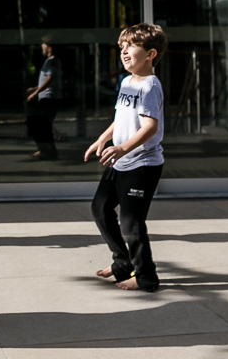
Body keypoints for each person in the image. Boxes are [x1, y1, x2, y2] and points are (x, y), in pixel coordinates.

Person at [84, 23, 167, 293]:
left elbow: (150, 127)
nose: (124, 51)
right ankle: (122, 263)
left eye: (131, 46)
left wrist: (122, 149)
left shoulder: (149, 86)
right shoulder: (127, 82)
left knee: (131, 222)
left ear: (150, 53)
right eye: (122, 47)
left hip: (142, 164)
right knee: (100, 208)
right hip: (121, 160)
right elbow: (121, 117)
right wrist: (103, 138)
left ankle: (146, 277)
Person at [26, 41, 62, 160]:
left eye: (43, 47)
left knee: (34, 121)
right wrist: (36, 88)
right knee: (43, 125)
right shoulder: (53, 61)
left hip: (48, 98)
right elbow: (50, 81)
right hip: (50, 98)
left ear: (49, 49)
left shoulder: (51, 61)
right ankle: (47, 151)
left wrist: (36, 93)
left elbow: (50, 79)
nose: (42, 49)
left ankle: (46, 151)